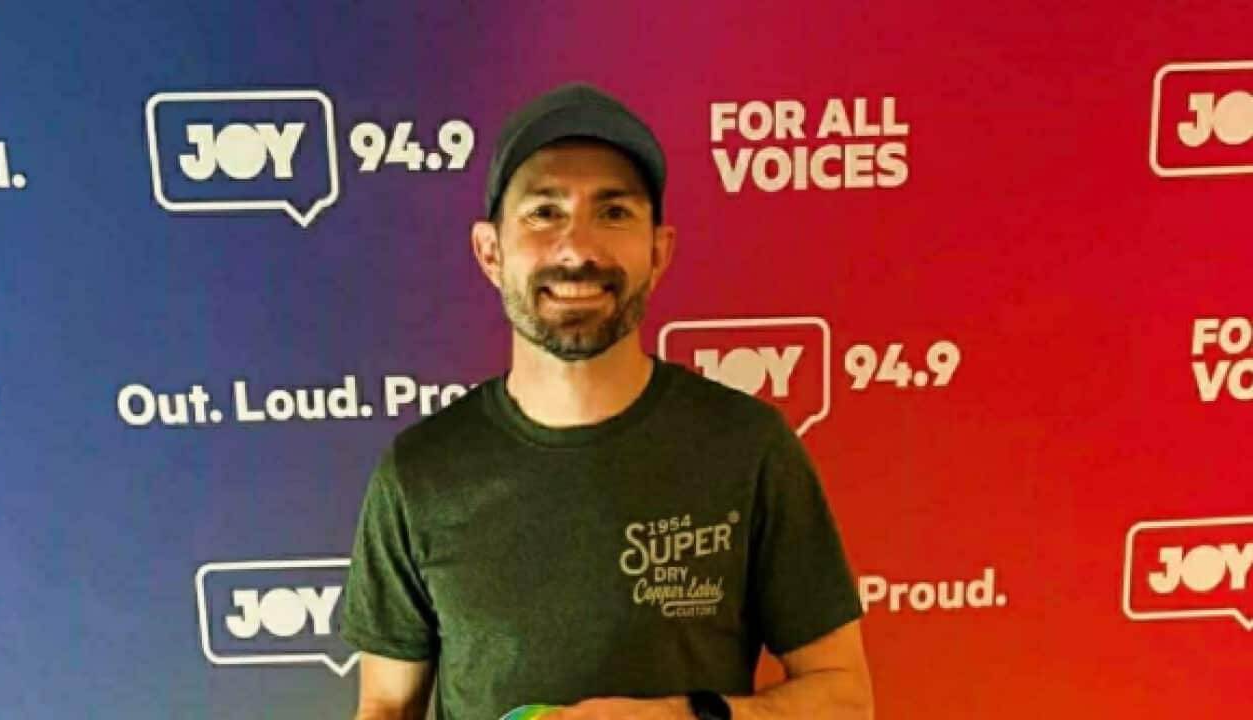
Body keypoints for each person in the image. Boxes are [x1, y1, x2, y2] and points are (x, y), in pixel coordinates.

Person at [341, 82, 873, 720]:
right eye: (544, 212)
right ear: (490, 251)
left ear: (658, 251)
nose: (577, 249)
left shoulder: (748, 445)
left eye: (613, 212)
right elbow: (386, 706)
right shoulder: (420, 471)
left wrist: (683, 717)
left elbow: (844, 697)